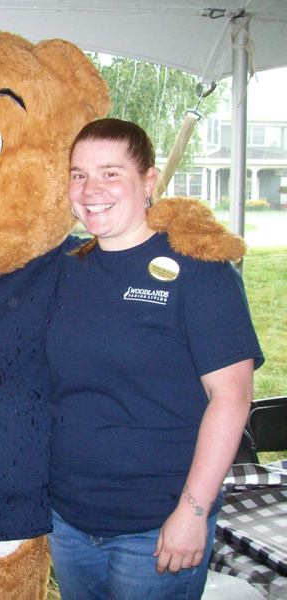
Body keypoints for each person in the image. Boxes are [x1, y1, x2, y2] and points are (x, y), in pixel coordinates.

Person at [44, 118, 265, 600]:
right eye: (78, 174)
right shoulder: (62, 265)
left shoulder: (200, 269)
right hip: (68, 517)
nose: (90, 189)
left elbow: (231, 398)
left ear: (148, 181)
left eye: (110, 172)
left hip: (157, 524)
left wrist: (194, 511)